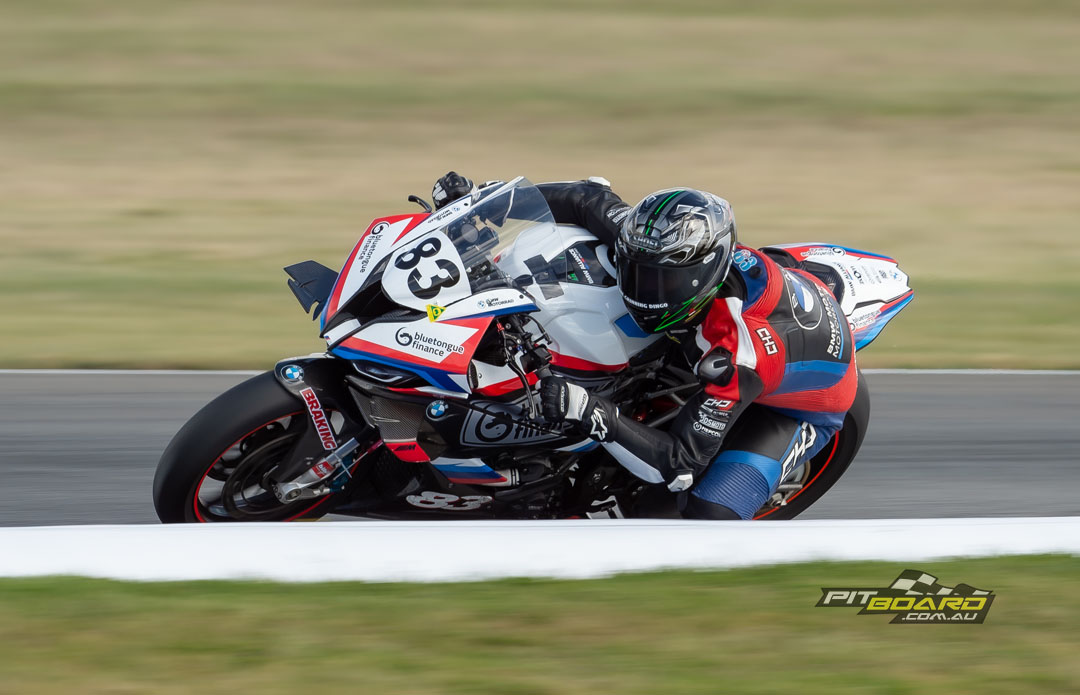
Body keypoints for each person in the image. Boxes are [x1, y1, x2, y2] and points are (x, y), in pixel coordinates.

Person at [431, 172, 860, 520]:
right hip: (754, 310)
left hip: (799, 405)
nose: (641, 288)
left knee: (707, 512)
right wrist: (487, 206)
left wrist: (590, 410)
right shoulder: (654, 241)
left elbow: (678, 464)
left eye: (660, 282)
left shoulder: (736, 354)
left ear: (700, 278)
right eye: (635, 269)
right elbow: (584, 198)